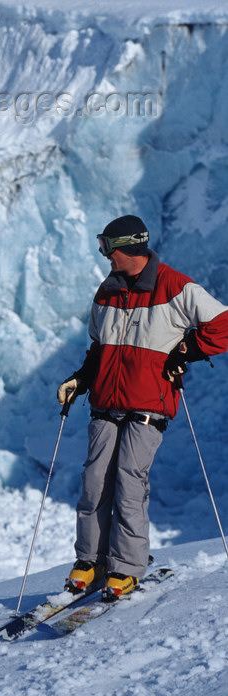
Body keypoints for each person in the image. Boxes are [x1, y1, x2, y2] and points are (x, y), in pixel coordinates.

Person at [57, 215, 228, 597]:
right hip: (105, 403)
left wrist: (190, 350)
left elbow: (224, 324)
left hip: (149, 405)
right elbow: (100, 348)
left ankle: (127, 567)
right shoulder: (107, 291)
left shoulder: (174, 286)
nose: (105, 256)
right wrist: (80, 379)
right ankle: (90, 560)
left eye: (108, 248)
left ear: (129, 248)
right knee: (94, 483)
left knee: (130, 484)